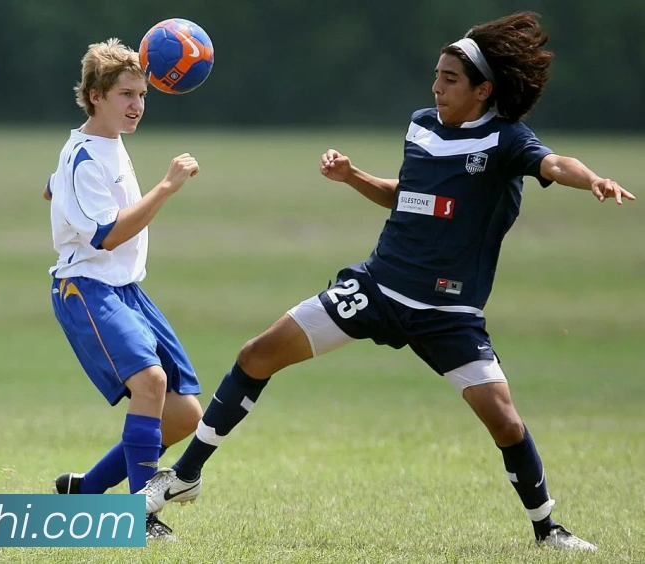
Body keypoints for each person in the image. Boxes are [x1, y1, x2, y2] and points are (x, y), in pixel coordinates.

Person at [139, 12, 635, 551]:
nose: (436, 87)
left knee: (505, 423)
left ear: (483, 90)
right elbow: (410, 196)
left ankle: (548, 530)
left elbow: (556, 164)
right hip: (377, 288)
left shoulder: (507, 140)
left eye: (450, 79)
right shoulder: (422, 125)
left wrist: (592, 179)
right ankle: (185, 475)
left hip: (447, 314)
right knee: (257, 355)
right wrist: (353, 176)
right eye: (436, 75)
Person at [44, 38, 204, 541]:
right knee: (150, 382)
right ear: (95, 96)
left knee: (183, 414)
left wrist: (56, 186)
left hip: (126, 289)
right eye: (126, 95)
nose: (137, 105)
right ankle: (139, 517)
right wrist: (166, 187)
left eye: (142, 95)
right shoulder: (84, 156)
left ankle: (87, 491)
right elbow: (107, 235)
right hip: (86, 288)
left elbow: (54, 185)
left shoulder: (105, 143)